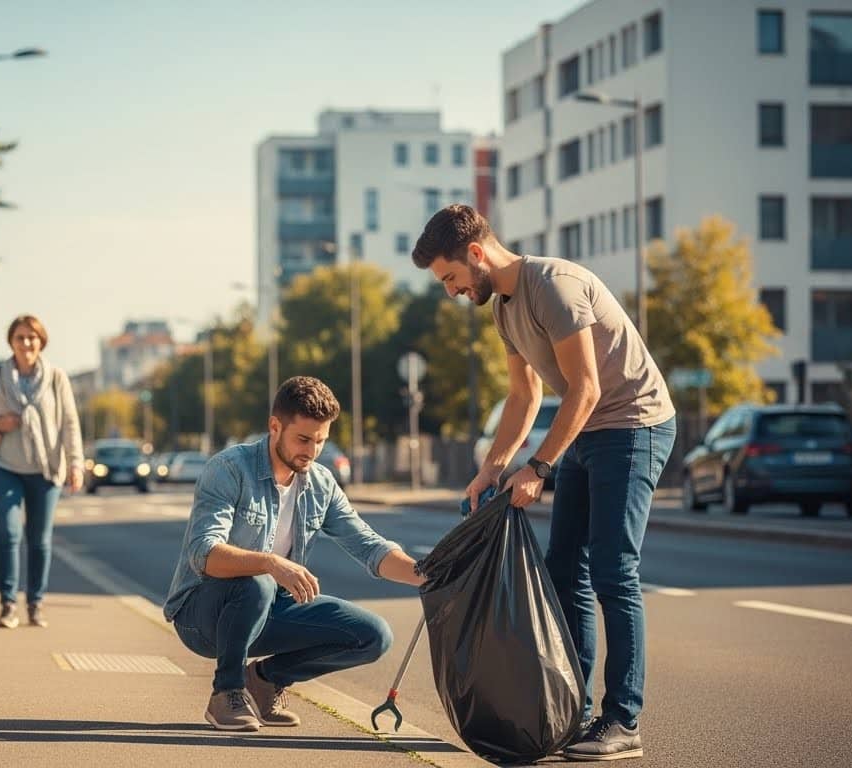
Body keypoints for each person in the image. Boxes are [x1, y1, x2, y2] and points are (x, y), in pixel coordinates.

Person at [412, 205, 676, 762]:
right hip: (588, 431)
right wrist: (494, 464)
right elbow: (524, 396)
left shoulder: (554, 285)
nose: (452, 291)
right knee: (563, 568)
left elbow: (584, 389)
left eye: (451, 277)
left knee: (613, 569)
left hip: (633, 423)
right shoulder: (503, 311)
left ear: (476, 255)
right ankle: (572, 713)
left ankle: (623, 719)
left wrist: (538, 468)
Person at [163, 376, 425, 732]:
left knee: (374, 635)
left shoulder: (320, 483)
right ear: (275, 426)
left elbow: (368, 545)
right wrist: (270, 563)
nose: (312, 451)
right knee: (259, 582)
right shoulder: (229, 469)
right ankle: (226, 692)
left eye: (320, 441)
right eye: (303, 439)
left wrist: (427, 576)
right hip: (203, 617)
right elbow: (203, 554)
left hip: (268, 609)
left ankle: (266, 679)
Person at [0, 314, 84, 629]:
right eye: (20, 338)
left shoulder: (57, 378)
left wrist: (75, 462)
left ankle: (35, 603)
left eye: (32, 337)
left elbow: (69, 424)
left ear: (41, 341)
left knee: (40, 540)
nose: (26, 343)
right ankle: (8, 604)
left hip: (45, 470)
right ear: (12, 342)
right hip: (4, 468)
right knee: (8, 533)